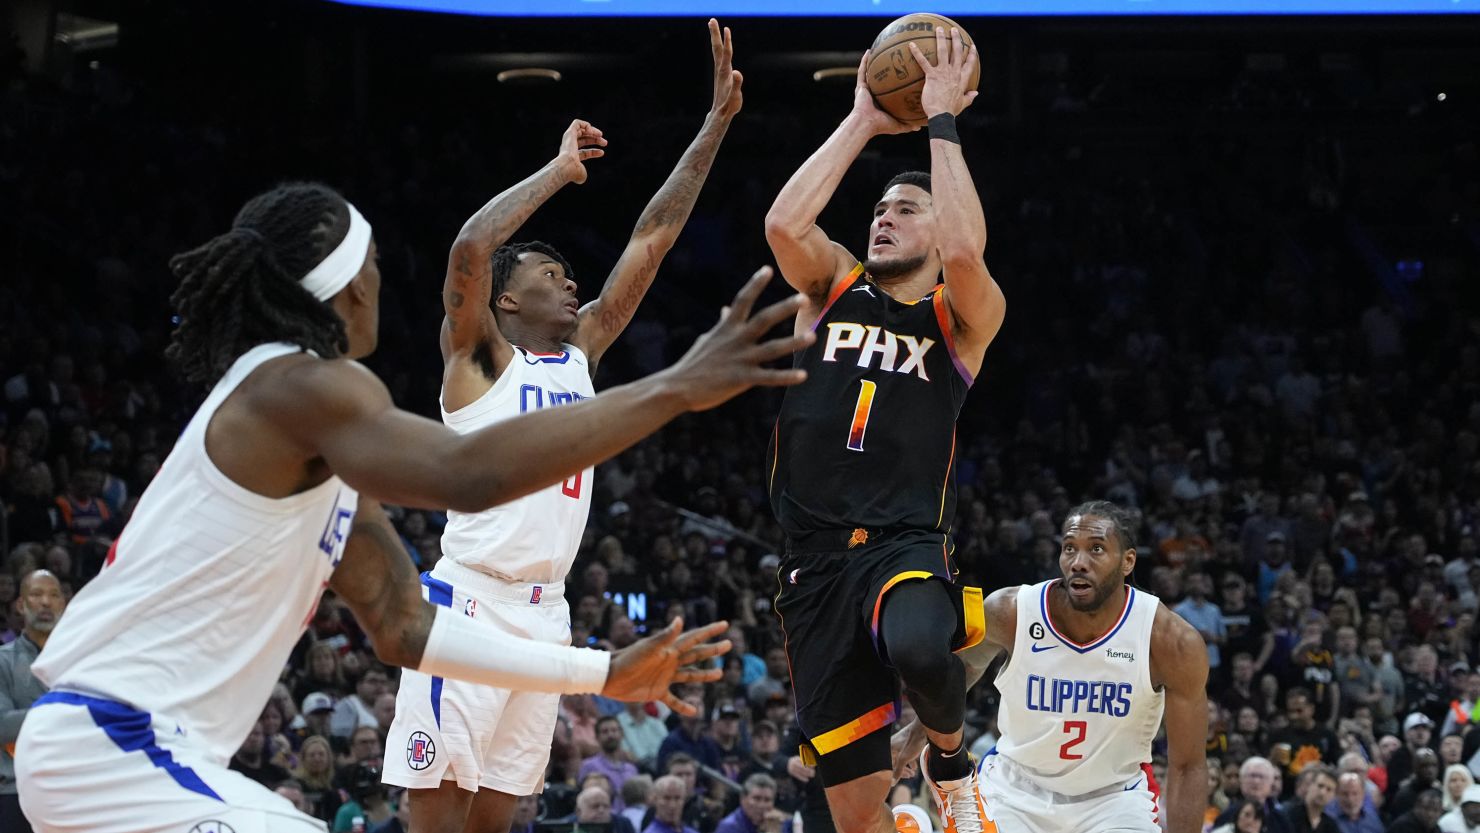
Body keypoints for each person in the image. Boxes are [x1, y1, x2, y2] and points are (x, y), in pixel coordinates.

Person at [13, 172, 812, 833]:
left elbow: (407, 628)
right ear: (351, 284)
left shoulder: (319, 450)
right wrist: (672, 388)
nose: (383, 283)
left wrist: (599, 670)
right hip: (114, 744)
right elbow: (468, 473)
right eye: (375, 266)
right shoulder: (302, 384)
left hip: (134, 755)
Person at [382, 20, 745, 833]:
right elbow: (472, 248)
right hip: (469, 603)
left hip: (549, 614)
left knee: (498, 818)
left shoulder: (578, 356)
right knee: (438, 817)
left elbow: (651, 241)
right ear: (508, 301)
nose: (571, 282)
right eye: (552, 275)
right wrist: (559, 170)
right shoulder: (477, 362)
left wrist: (714, 123)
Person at [762, 24, 1005, 833]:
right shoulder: (832, 285)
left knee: (922, 650)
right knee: (854, 815)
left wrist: (941, 123)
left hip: (904, 541)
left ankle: (950, 760)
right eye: (879, 208)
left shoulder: (960, 317)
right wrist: (865, 117)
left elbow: (969, 251)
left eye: (906, 209)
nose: (885, 218)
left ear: (936, 231)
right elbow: (785, 226)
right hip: (813, 563)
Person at [892, 501, 1209, 833]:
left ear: (1128, 561)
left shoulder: (1170, 641)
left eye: (1096, 549)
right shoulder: (1011, 611)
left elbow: (1188, 766)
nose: (1078, 562)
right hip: (1015, 791)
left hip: (1113, 801)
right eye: (1069, 549)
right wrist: (914, 736)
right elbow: (961, 675)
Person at [0, 570, 65, 833]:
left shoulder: (80, 662)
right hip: (14, 790)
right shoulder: (3, 660)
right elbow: (3, 726)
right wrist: (62, 709)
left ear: (64, 604)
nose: (46, 602)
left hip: (72, 788)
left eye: (54, 595)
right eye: (36, 594)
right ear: (21, 604)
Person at [715, 774, 790, 833]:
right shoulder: (729, 827)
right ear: (743, 799)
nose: (762, 805)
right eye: (756, 798)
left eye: (767, 800)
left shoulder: (778, 824)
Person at [1279, 765, 1339, 833]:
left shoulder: (1331, 826)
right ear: (1310, 786)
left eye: (1329, 789)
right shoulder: (1287, 814)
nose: (1322, 793)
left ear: (1334, 796)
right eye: (1320, 786)